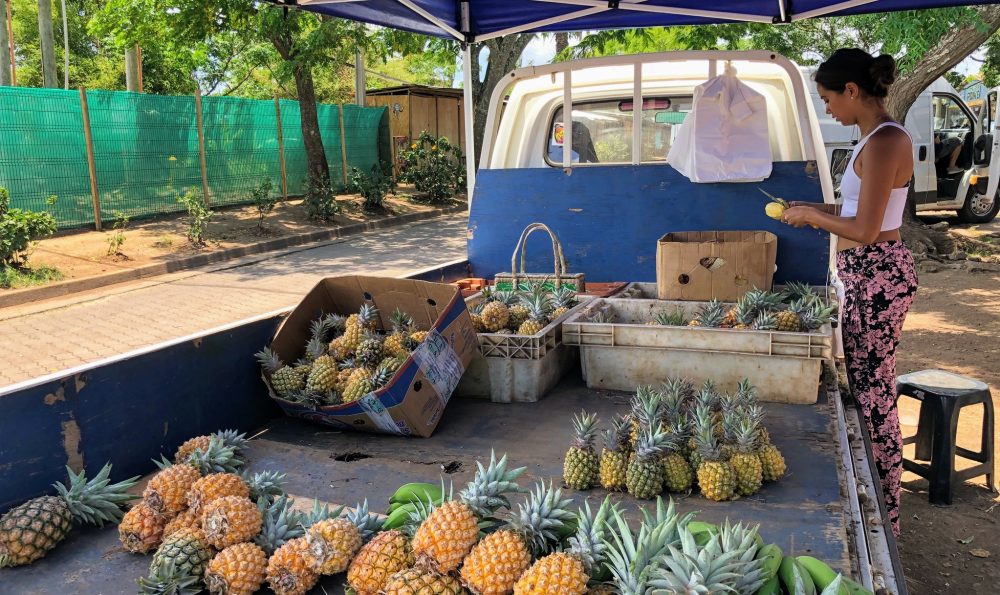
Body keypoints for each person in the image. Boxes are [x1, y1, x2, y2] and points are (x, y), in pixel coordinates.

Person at [782, 48, 918, 537]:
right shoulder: (872, 141)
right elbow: (859, 205)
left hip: (878, 274)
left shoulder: (886, 142)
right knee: (864, 385)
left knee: (875, 392)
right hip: (865, 272)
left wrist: (812, 218)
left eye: (828, 99)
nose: (827, 110)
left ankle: (885, 514)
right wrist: (814, 205)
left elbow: (865, 228)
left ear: (853, 92)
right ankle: (877, 504)